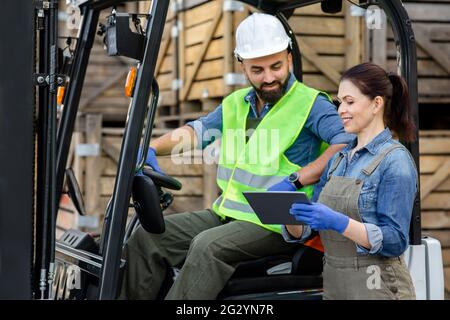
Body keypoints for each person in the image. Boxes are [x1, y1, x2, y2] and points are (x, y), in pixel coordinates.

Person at [119, 13, 352, 300]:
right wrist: (150, 149)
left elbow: (347, 142)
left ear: (289, 58)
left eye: (276, 66)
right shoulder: (235, 105)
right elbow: (197, 133)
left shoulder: (312, 104)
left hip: (277, 221)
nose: (269, 78)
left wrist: (297, 179)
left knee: (207, 247)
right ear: (242, 66)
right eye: (257, 70)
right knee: (146, 238)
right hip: (229, 213)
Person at [288, 62, 417, 300]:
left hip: (378, 287)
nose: (340, 110)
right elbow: (309, 229)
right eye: (339, 102)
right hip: (335, 286)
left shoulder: (395, 161)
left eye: (350, 102)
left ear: (376, 104)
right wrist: (288, 217)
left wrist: (340, 222)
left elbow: (395, 240)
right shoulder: (337, 159)